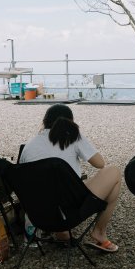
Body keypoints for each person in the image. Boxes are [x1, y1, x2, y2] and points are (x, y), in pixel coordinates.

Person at [19, 104, 122, 252]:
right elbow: (100, 163)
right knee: (114, 173)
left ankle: (61, 232)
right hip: (67, 209)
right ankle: (99, 232)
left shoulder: (30, 145)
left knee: (55, 186)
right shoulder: (72, 136)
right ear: (70, 122)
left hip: (37, 211)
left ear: (45, 121)